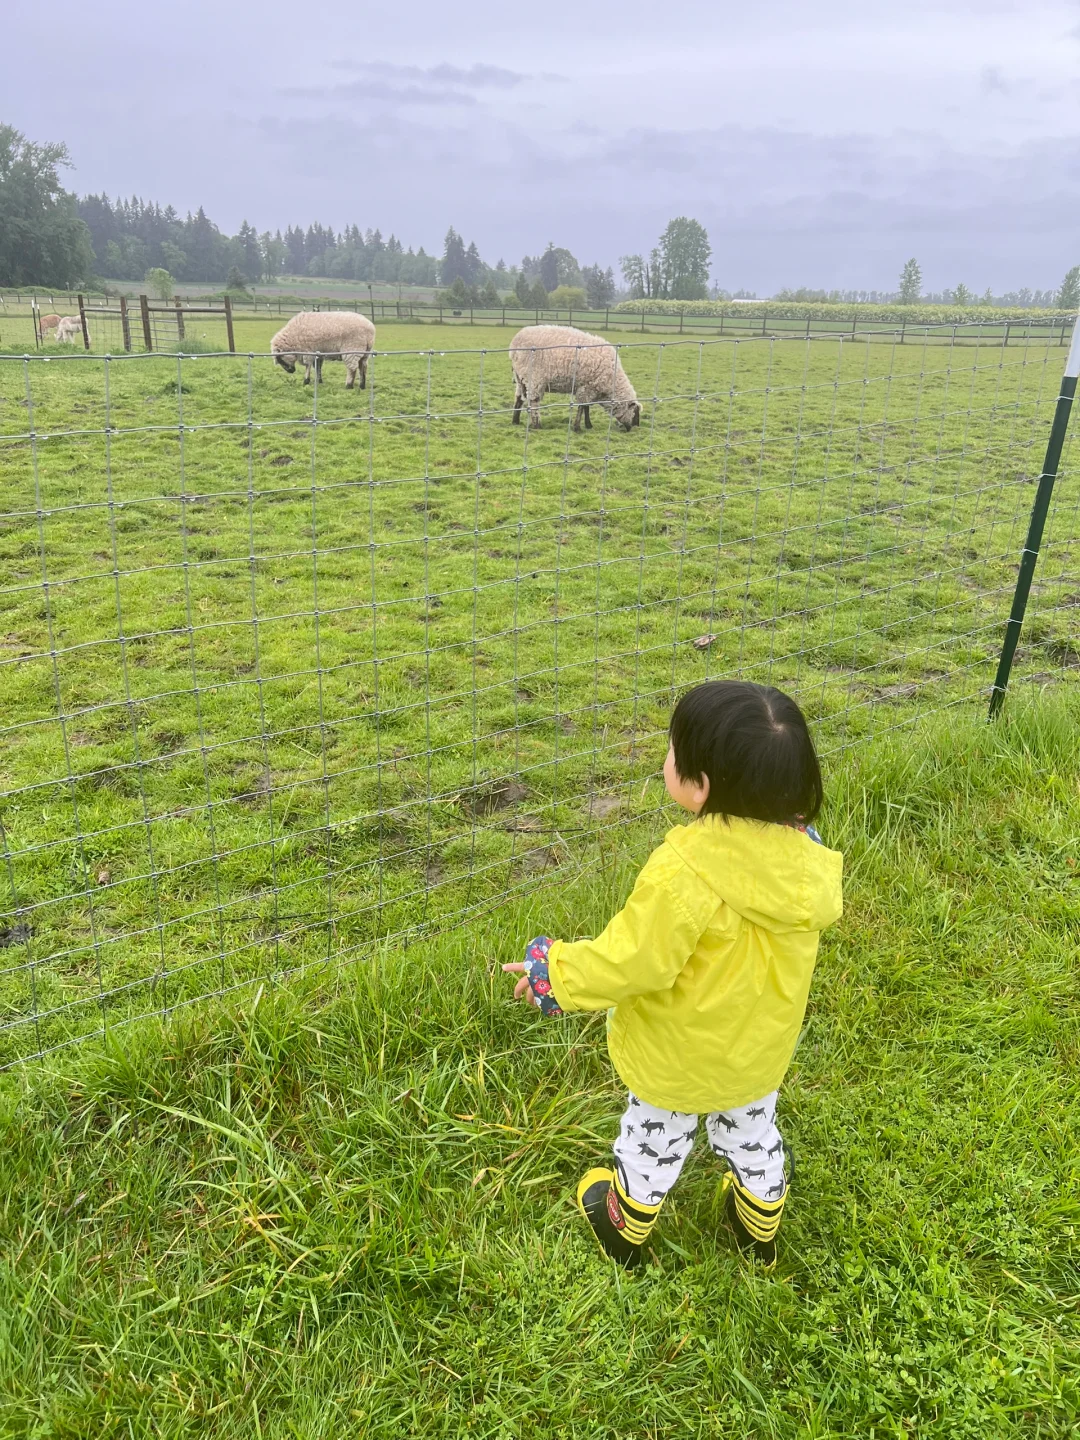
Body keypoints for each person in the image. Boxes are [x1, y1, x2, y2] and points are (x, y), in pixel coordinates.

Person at [503, 680, 843, 1269]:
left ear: (701, 786)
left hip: (678, 1056)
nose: (667, 759)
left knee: (653, 1137)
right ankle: (759, 1220)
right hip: (757, 1053)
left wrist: (554, 974)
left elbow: (632, 959)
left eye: (673, 752)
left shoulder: (684, 873)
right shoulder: (807, 862)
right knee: (754, 1129)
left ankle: (625, 1222)